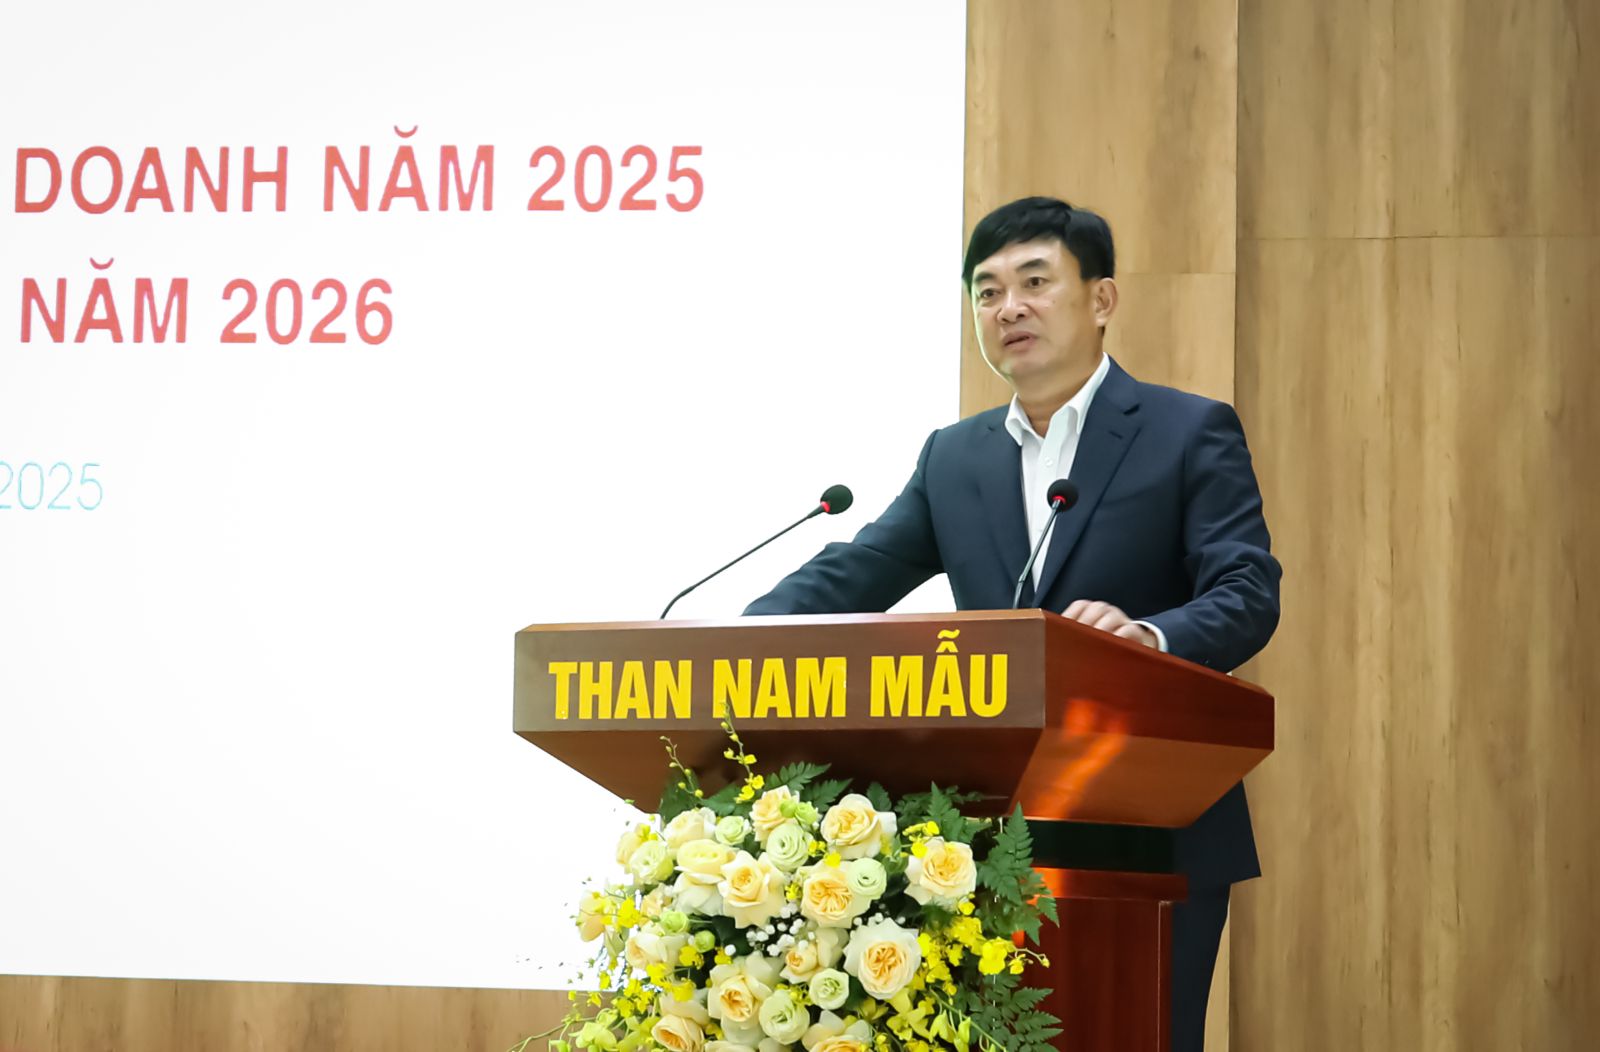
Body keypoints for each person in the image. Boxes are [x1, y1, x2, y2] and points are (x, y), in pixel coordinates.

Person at [744, 196, 1281, 1051]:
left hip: (1151, 827)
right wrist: (738, 637)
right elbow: (860, 571)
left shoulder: (1186, 431)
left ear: (1101, 299)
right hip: (982, 846)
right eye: (987, 292)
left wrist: (1147, 639)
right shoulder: (954, 456)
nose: (1008, 308)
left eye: (1035, 282)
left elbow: (1247, 590)